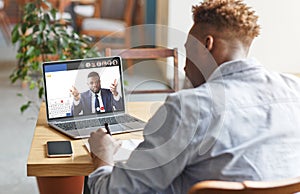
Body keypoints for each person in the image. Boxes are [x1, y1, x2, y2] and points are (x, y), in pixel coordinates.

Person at [87, 0, 300, 193]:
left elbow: (117, 191)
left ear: (207, 45)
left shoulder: (187, 108)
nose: (186, 66)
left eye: (188, 51)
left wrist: (104, 157)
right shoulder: (294, 89)